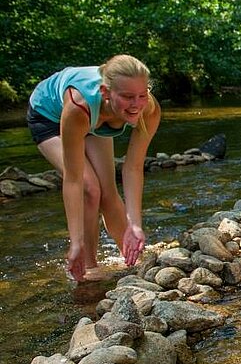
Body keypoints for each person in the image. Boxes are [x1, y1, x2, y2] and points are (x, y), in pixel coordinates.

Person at [27, 55, 161, 283]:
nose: (136, 104)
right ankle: (88, 266)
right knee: (90, 188)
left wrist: (135, 225)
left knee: (108, 192)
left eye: (141, 95)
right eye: (128, 97)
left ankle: (132, 260)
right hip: (50, 116)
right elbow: (73, 180)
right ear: (106, 92)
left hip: (100, 117)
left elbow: (133, 168)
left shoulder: (148, 109)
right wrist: (75, 241)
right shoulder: (79, 107)